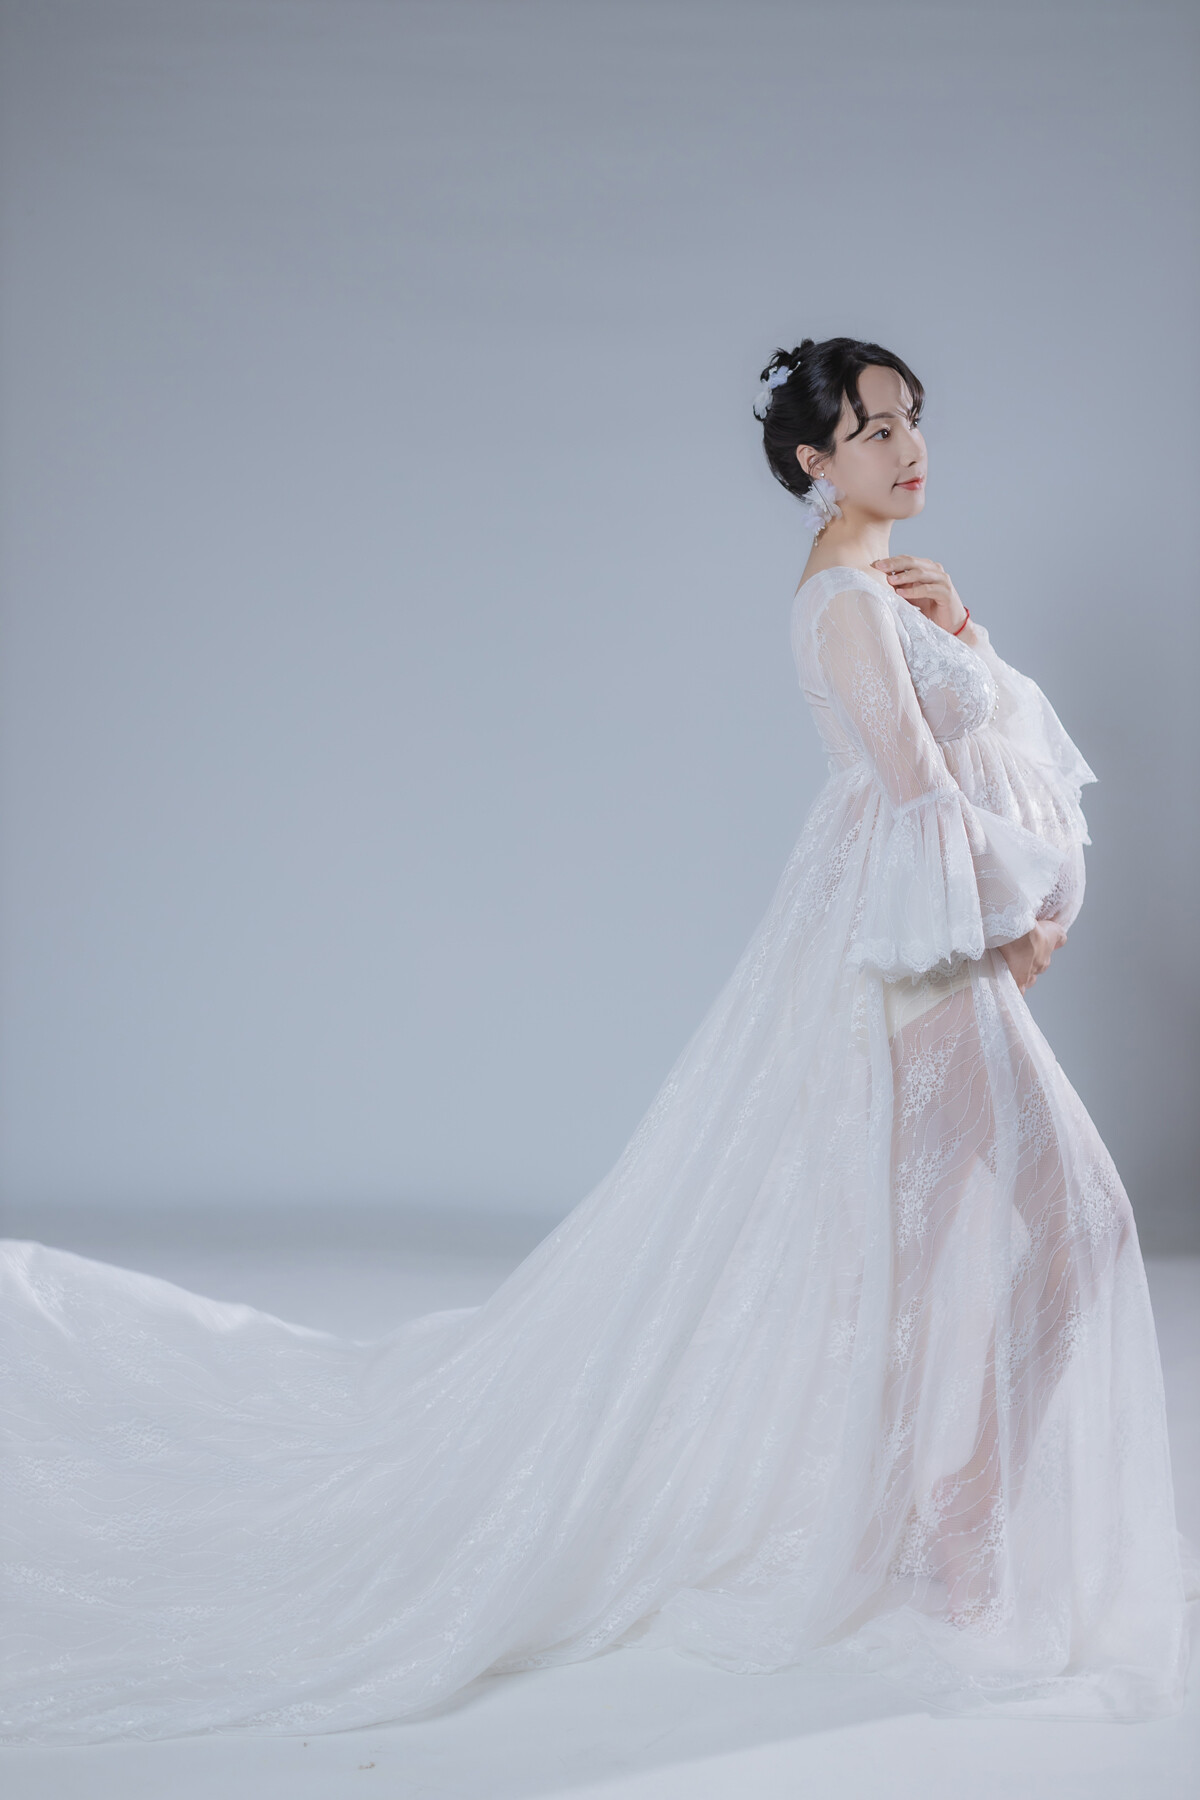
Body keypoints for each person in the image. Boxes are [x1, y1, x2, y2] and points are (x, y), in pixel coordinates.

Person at [1, 336, 1192, 1745]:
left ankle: (928, 1521)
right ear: (815, 461)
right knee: (1062, 1225)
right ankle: (952, 1516)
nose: (908, 446)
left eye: (912, 418)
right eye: (873, 429)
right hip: (923, 965)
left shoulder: (895, 592)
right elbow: (916, 799)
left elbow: (994, 751)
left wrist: (971, 639)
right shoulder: (843, 607)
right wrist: (1026, 921)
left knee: (948, 1249)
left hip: (932, 955)